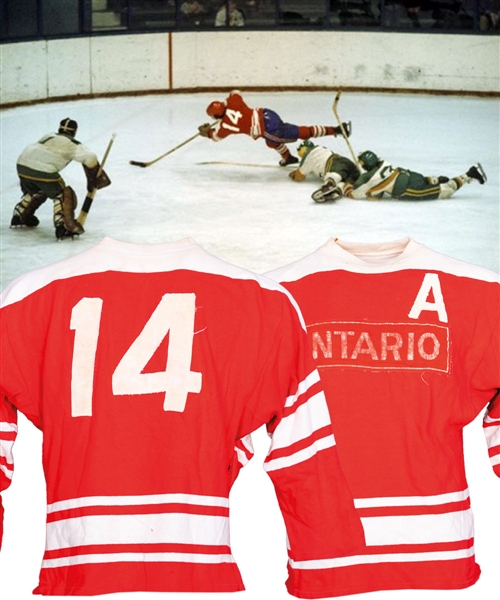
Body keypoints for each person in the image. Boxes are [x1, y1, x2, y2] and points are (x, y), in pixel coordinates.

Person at [11, 118, 110, 240]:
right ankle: (63, 226)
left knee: (38, 189)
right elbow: (90, 157)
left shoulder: (49, 136)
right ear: (74, 132)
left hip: (22, 165)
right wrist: (94, 176)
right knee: (63, 194)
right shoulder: (74, 144)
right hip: (43, 170)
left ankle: (20, 215)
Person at [198, 89, 352, 166]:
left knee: (301, 132)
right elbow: (235, 92)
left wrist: (208, 133)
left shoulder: (224, 125)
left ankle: (337, 130)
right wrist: (226, 103)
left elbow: (216, 137)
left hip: (267, 128)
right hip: (268, 114)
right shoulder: (233, 101)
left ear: (217, 116)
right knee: (271, 142)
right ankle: (288, 158)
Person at [312, 149, 487, 202]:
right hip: (413, 176)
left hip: (409, 189)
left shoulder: (369, 177)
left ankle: (469, 174)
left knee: (445, 191)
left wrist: (347, 186)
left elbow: (357, 194)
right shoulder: (385, 163)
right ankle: (434, 179)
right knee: (434, 183)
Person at [288, 140, 360, 201]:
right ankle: (339, 189)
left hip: (334, 163)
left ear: (304, 148)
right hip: (347, 162)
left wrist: (293, 175)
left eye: (299, 149)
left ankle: (328, 186)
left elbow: (299, 176)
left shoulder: (308, 154)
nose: (298, 152)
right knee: (346, 179)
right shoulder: (322, 149)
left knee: (333, 175)